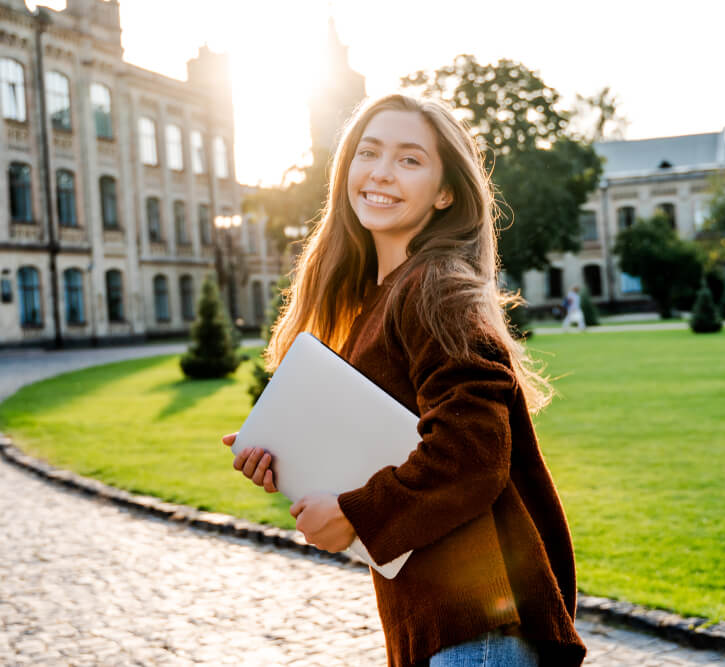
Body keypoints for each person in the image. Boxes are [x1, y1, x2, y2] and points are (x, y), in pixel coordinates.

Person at [222, 93, 585, 667]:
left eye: (410, 159)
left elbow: (472, 453)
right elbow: (395, 443)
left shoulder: (436, 286)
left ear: (446, 193)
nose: (381, 172)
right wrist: (294, 465)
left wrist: (353, 513)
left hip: (479, 629)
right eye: (369, 152)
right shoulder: (383, 297)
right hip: (445, 627)